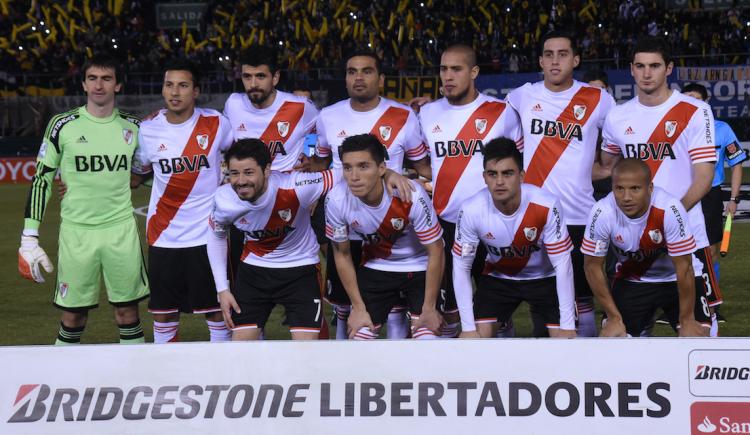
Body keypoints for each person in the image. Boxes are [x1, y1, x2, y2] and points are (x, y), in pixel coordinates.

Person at [19, 54, 148, 345]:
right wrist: (29, 236)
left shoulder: (135, 128)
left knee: (128, 314)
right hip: (77, 233)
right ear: (83, 83)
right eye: (92, 78)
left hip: (121, 231)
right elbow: (42, 179)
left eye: (106, 78)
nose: (99, 85)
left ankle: (136, 381)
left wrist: (139, 178)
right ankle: (59, 383)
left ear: (118, 85)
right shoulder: (62, 125)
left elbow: (154, 174)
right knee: (73, 316)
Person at [598, 36, 721, 335]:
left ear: (669, 69)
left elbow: (704, 177)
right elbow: (608, 166)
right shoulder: (617, 116)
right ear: (631, 69)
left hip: (688, 237)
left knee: (701, 339)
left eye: (654, 66)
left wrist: (670, 220)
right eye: (640, 66)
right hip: (631, 244)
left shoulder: (694, 111)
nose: (647, 73)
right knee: (623, 339)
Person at [305, 49, 430, 339]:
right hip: (345, 221)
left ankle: (394, 371)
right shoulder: (328, 116)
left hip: (390, 224)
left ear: (381, 78)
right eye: (352, 71)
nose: (358, 77)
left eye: (367, 71)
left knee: (395, 306)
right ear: (346, 79)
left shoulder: (404, 116)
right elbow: (319, 162)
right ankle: (345, 366)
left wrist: (404, 177)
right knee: (345, 306)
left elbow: (423, 167)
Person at [506, 30, 616, 337]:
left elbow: (624, 138)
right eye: (549, 55)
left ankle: (587, 366)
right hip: (535, 216)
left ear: (575, 60)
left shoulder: (598, 99)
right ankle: (548, 363)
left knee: (582, 297)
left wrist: (608, 170)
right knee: (544, 296)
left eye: (563, 54)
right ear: (540, 61)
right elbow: (486, 117)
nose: (555, 61)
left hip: (579, 214)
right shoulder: (522, 96)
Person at [417, 43, 523, 338]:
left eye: (456, 69)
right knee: (450, 311)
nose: (448, 76)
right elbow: (422, 164)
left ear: (474, 72)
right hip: (446, 224)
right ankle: (455, 376)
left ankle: (505, 371)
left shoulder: (501, 113)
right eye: (443, 69)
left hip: (494, 223)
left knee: (498, 312)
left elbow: (516, 167)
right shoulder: (427, 114)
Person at [132, 60, 234, 343]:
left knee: (216, 311)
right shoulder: (148, 128)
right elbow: (138, 174)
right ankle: (166, 378)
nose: (174, 92)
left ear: (196, 91)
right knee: (164, 314)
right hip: (164, 235)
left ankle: (220, 377)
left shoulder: (216, 123)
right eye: (169, 85)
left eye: (183, 85)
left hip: (208, 236)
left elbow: (238, 159)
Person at [207, 139, 336, 340]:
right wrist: (222, 290)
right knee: (240, 349)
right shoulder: (223, 199)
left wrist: (387, 173)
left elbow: (344, 174)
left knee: (307, 351)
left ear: (267, 170)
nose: (240, 181)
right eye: (234, 173)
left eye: (249, 172)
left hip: (301, 269)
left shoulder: (298, 186)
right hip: (253, 272)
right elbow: (216, 237)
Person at [453, 137, 577, 339]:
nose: (499, 181)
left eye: (507, 173)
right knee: (474, 340)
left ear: (521, 176)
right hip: (498, 279)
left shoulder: (546, 205)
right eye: (492, 174)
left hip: (545, 279)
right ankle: (502, 328)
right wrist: (467, 329)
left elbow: (563, 264)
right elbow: (461, 266)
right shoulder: (471, 209)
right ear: (484, 177)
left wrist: (568, 325)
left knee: (563, 341)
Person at [325, 134, 444, 339]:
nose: (354, 176)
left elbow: (436, 250)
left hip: (420, 268)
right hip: (376, 268)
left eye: (363, 166)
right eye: (347, 167)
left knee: (427, 339)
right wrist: (358, 307)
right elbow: (342, 255)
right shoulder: (336, 199)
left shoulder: (411, 194)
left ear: (382, 168)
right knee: (359, 336)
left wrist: (429, 308)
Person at [582, 158, 710, 337]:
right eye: (619, 188)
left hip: (675, 279)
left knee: (699, 338)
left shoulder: (669, 209)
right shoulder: (602, 212)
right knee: (614, 339)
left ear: (650, 188)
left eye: (635, 188)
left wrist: (687, 319)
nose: (626, 197)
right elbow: (592, 266)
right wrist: (613, 317)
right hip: (633, 280)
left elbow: (684, 268)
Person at [682, 83, 748, 323]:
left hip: (709, 195)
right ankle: (683, 305)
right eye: (687, 99)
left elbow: (737, 163)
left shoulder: (721, 129)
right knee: (678, 251)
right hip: (680, 195)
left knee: (708, 252)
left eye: (696, 100)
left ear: (705, 104)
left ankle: (711, 305)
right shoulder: (674, 130)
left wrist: (733, 199)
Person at [223, 45, 318, 172]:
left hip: (287, 188)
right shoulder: (233, 104)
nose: (253, 84)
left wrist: (311, 156)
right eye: (247, 77)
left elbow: (324, 133)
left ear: (275, 78)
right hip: (248, 187)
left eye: (260, 76)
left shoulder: (301, 106)